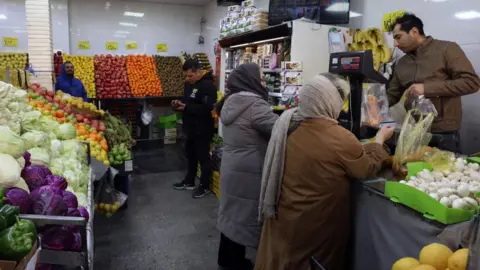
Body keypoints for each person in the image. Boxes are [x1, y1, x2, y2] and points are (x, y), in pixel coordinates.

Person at [255, 74, 394, 270]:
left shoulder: (289, 123)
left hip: (285, 214)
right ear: (329, 101)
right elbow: (366, 168)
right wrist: (379, 140)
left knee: (283, 259)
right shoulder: (337, 136)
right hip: (316, 222)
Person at [386, 13, 480, 153]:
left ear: (414, 32)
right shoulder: (402, 63)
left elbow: (471, 82)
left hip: (444, 134)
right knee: (414, 173)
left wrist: (427, 88)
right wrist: (374, 106)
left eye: (398, 37)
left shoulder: (447, 49)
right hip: (414, 132)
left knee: (444, 173)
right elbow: (391, 95)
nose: (395, 44)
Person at [216, 63, 278, 270]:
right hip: (249, 170)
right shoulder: (254, 105)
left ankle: (226, 258)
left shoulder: (230, 101)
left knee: (231, 214)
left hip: (232, 165)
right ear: (250, 80)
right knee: (243, 216)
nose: (263, 82)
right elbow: (278, 129)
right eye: (260, 78)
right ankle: (235, 263)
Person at [172, 59, 217, 199]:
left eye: (190, 75)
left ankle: (205, 186)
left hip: (203, 128)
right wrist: (179, 103)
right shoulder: (189, 84)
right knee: (190, 155)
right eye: (186, 75)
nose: (187, 78)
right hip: (190, 127)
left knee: (203, 157)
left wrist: (187, 107)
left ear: (198, 72)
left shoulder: (208, 86)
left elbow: (208, 108)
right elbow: (188, 101)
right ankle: (189, 181)